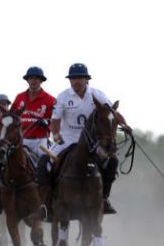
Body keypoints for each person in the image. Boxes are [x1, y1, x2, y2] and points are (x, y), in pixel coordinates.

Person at [45, 63, 131, 214]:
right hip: (67, 140)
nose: (76, 81)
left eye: (80, 78)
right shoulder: (63, 96)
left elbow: (112, 113)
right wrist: (56, 136)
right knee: (44, 163)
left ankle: (103, 198)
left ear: (86, 79)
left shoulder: (97, 94)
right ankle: (46, 204)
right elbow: (55, 120)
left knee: (112, 161)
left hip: (91, 142)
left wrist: (125, 125)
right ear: (70, 80)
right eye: (73, 78)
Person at [0, 67, 55, 214]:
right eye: (31, 78)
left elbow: (57, 119)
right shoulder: (20, 98)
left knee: (49, 167)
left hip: (40, 141)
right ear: (27, 80)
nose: (33, 81)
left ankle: (48, 202)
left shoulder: (50, 100)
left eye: (36, 78)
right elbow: (10, 115)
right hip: (21, 139)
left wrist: (47, 122)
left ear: (41, 81)